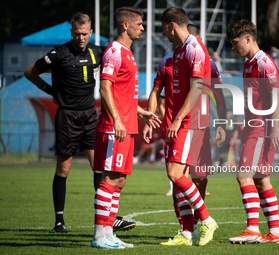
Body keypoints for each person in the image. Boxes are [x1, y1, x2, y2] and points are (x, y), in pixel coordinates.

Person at [24, 13, 103, 233]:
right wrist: (50, 91)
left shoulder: (98, 52)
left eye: (85, 34)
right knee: (63, 170)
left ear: (91, 32)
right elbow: (29, 72)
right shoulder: (58, 54)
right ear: (71, 32)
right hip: (67, 117)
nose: (80, 38)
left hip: (90, 116)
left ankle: (105, 218)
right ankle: (59, 222)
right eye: (77, 34)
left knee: (99, 168)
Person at [91, 7, 161, 249]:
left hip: (126, 125)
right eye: (139, 24)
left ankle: (109, 232)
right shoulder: (113, 52)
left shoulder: (128, 53)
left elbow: (122, 93)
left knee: (119, 180)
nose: (142, 28)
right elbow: (105, 88)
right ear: (125, 26)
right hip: (114, 127)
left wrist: (139, 112)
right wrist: (118, 120)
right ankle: (100, 235)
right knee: (109, 179)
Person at [158, 7, 220, 246]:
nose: (163, 33)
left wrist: (176, 119)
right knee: (180, 177)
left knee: (176, 174)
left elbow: (198, 88)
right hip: (183, 121)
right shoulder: (181, 50)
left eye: (163, 28)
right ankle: (186, 233)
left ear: (171, 25)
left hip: (190, 122)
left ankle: (206, 219)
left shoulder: (194, 48)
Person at [227, 19, 279, 244]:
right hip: (254, 128)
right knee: (261, 180)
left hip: (261, 130)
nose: (234, 48)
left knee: (243, 175)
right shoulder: (249, 63)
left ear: (248, 38)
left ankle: (252, 229)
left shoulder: (264, 63)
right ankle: (276, 234)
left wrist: (276, 125)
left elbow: (276, 94)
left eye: (235, 43)